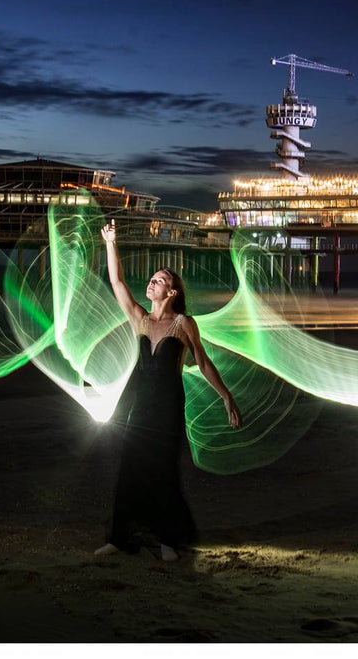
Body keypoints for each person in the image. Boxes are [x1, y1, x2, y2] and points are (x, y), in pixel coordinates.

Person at [94, 218, 241, 562]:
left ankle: (167, 540)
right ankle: (120, 538)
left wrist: (226, 396)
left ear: (171, 292)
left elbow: (203, 363)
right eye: (152, 279)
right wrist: (110, 243)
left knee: (163, 470)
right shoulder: (141, 320)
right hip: (140, 405)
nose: (152, 283)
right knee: (130, 468)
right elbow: (116, 281)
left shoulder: (183, 324)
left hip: (169, 406)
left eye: (159, 280)